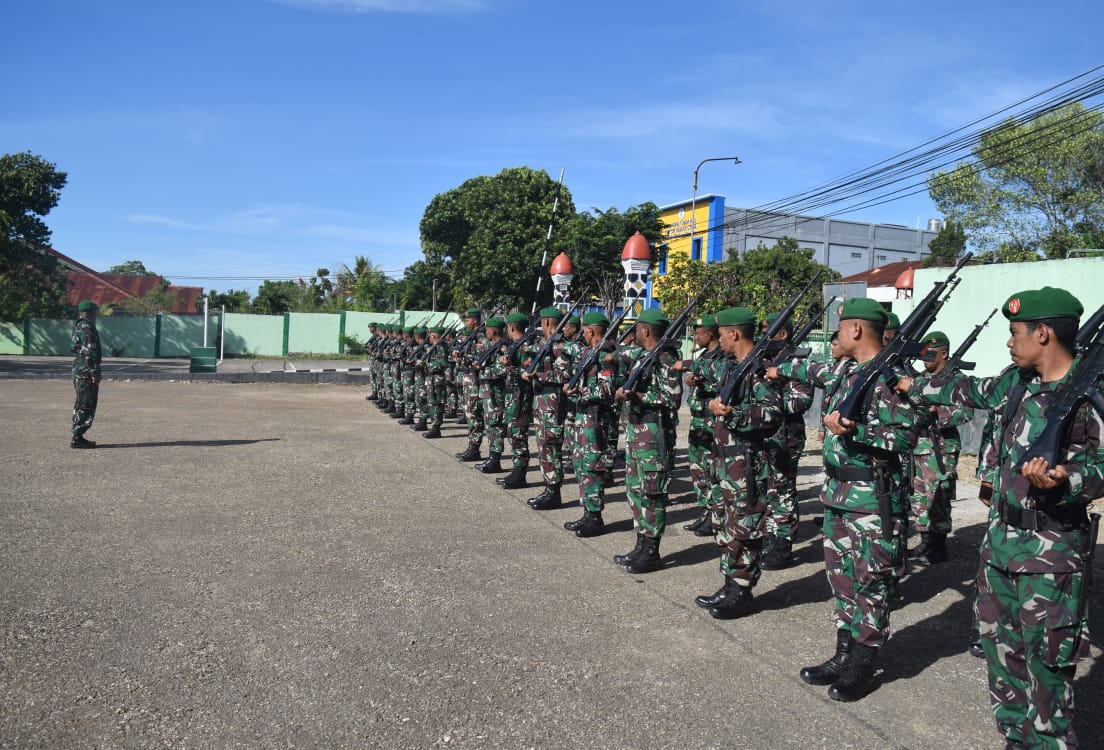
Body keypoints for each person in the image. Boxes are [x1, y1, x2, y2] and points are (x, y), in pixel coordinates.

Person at [902, 288, 1103, 749]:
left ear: (1044, 333)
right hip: (998, 552)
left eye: (1015, 334)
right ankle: (1015, 738)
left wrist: (1066, 479)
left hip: (1050, 563)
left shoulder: (1091, 394)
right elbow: (964, 389)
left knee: (1047, 677)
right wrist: (909, 384)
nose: (1009, 343)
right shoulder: (1017, 381)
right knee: (1003, 663)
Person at [768, 297, 916, 702]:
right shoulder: (844, 369)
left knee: (871, 582)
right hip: (837, 494)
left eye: (840, 328)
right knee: (841, 578)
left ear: (855, 330)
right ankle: (843, 653)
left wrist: (857, 431)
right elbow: (808, 368)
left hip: (871, 499)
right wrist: (778, 368)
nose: (835, 335)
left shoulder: (890, 377)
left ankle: (864, 665)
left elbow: (907, 437)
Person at [693, 307, 781, 618]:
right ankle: (730, 584)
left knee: (744, 528)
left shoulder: (758, 369)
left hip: (745, 464)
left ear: (734, 333)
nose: (717, 338)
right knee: (724, 524)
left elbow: (772, 414)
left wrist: (735, 415)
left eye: (721, 333)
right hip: (723, 461)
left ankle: (742, 591)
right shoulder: (731, 366)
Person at [612, 308, 684, 574]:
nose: (634, 333)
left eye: (637, 328)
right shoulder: (643, 357)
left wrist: (639, 397)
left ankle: (652, 551)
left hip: (654, 433)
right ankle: (641, 543)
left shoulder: (666, 359)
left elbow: (672, 399)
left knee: (652, 492)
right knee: (635, 488)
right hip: (636, 430)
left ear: (645, 330)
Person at [907, 331, 972, 564]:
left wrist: (939, 411)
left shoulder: (957, 379)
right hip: (919, 443)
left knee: (938, 494)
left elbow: (966, 411)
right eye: (923, 353)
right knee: (919, 496)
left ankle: (939, 544)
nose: (925, 358)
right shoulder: (921, 378)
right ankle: (925, 540)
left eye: (931, 353)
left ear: (944, 353)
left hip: (941, 445)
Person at [761, 311, 815, 570]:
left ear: (782, 334)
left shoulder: (795, 362)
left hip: (787, 434)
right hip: (765, 435)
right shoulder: (766, 359)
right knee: (768, 488)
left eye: (768, 331)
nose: (764, 336)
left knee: (782, 488)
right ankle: (770, 535)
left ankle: (783, 544)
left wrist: (774, 389)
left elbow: (801, 401)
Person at [562, 312, 616, 537]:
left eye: (584, 330)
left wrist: (579, 391)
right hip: (582, 418)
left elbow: (606, 390)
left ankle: (595, 517)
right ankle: (587, 512)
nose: (582, 334)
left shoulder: (606, 357)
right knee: (580, 465)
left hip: (596, 421)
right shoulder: (588, 353)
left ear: (591, 331)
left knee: (593, 468)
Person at [680, 315, 724, 537]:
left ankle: (715, 514)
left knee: (711, 469)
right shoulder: (701, 356)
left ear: (709, 334)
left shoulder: (721, 358)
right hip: (697, 420)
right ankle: (705, 509)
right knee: (698, 469)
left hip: (711, 420)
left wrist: (699, 378)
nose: (695, 337)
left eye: (698, 333)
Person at [70, 300, 102, 448]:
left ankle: (78, 435)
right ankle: (77, 437)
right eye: (95, 312)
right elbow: (90, 351)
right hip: (86, 372)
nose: (96, 315)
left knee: (81, 403)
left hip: (79, 369)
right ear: (91, 312)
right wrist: (94, 372)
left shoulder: (78, 326)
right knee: (86, 405)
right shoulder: (87, 328)